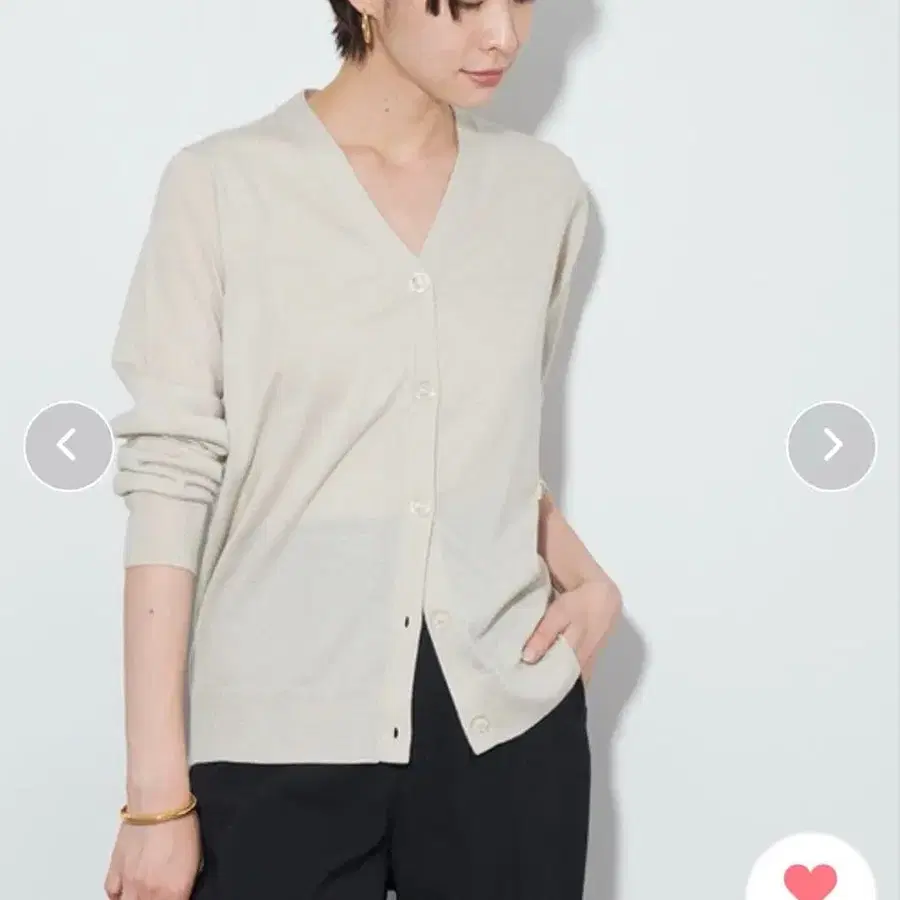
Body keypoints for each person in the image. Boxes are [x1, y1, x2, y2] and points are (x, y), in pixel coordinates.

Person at [103, 1, 622, 898]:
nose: (503, 35)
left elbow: (474, 440)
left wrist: (587, 579)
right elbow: (170, 477)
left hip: (505, 729)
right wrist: (155, 799)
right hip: (276, 736)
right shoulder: (224, 186)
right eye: (468, 2)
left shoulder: (543, 194)